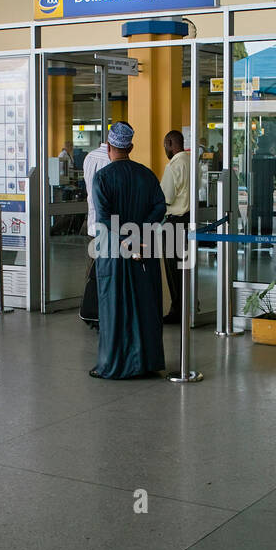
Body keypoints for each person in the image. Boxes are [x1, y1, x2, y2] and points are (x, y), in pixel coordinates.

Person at [89, 121, 166, 379]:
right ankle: (147, 362)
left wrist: (125, 236)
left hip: (114, 252)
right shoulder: (147, 174)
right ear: (130, 146)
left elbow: (103, 216)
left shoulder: (102, 177)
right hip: (145, 249)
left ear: (109, 147)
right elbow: (160, 208)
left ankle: (112, 365)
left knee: (114, 306)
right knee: (145, 305)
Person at [78, 137, 111, 328]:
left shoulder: (89, 157)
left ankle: (89, 311)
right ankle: (101, 313)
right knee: (105, 271)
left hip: (93, 224)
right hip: (107, 225)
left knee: (91, 271)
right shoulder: (110, 161)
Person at [159, 129, 189, 324]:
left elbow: (166, 199)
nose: (165, 150)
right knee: (186, 267)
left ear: (170, 143)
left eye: (164, 145)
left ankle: (177, 311)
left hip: (174, 222)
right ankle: (190, 307)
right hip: (190, 222)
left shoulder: (173, 166)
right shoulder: (191, 162)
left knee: (173, 269)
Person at [249, 137, 276, 240]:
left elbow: (246, 176)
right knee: (267, 219)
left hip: (255, 193)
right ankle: (266, 239)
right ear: (268, 145)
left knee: (254, 219)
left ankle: (253, 240)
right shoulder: (272, 159)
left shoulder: (253, 159)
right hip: (267, 193)